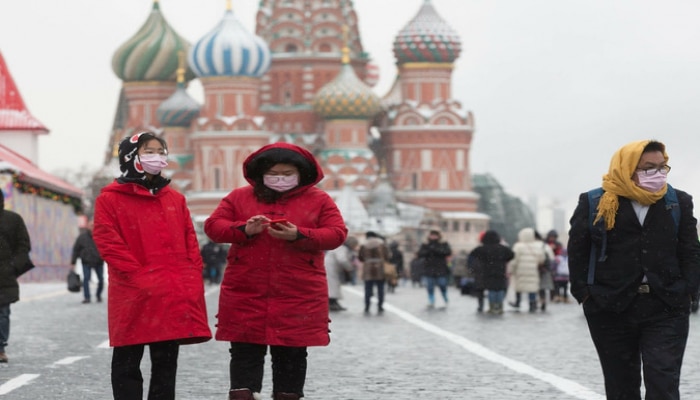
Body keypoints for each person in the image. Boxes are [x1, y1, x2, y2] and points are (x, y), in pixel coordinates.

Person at [204, 142, 347, 400]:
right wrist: (244, 229)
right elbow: (214, 227)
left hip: (298, 291)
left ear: (301, 174)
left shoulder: (319, 200)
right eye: (274, 173)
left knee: (291, 354)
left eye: (287, 173)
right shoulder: (239, 197)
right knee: (245, 351)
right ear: (261, 174)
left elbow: (336, 234)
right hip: (247, 289)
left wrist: (299, 235)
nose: (280, 179)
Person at [568, 139, 700, 400]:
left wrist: (688, 291)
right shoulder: (596, 201)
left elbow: (690, 250)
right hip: (611, 306)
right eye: (648, 168)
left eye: (663, 167)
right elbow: (578, 251)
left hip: (666, 305)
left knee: (663, 381)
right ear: (627, 168)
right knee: (621, 385)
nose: (658, 174)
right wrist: (585, 294)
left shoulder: (678, 202)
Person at [93, 132, 212, 400]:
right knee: (127, 360)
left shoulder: (175, 199)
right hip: (133, 291)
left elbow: (190, 241)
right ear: (130, 156)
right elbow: (107, 241)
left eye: (161, 151)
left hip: (171, 290)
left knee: (166, 362)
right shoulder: (110, 199)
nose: (157, 157)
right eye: (149, 151)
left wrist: (192, 274)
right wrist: (138, 276)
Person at [0, 189, 31, 363]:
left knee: (2, 312)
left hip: (4, 275)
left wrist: (13, 266)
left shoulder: (13, 220)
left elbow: (23, 245)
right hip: (6, 273)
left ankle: (0, 348)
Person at [469, 230, 514, 314]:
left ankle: (492, 307)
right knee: (500, 289)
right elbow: (511, 255)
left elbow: (473, 254)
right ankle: (500, 307)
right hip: (500, 271)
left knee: (491, 290)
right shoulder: (503, 249)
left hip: (487, 271)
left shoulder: (482, 249)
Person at [507, 227, 545, 313]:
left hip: (520, 271)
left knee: (518, 287)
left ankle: (517, 302)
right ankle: (532, 304)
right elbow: (542, 259)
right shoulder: (537, 245)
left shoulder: (518, 246)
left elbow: (514, 260)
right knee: (532, 287)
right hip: (533, 271)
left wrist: (511, 270)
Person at [70, 219, 105, 304]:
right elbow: (76, 250)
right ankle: (87, 297)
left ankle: (98, 295)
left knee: (101, 280)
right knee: (86, 279)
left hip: (98, 261)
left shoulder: (101, 236)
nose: (92, 227)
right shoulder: (82, 237)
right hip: (86, 261)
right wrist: (73, 262)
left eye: (93, 225)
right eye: (90, 225)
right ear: (87, 226)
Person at [417, 230, 452, 309]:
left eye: (435, 235)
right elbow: (420, 254)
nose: (433, 237)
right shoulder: (425, 245)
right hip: (429, 268)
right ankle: (431, 299)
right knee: (430, 286)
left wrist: (436, 250)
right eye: (432, 235)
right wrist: (429, 250)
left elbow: (448, 252)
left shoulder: (443, 244)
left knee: (442, 284)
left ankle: (444, 295)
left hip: (441, 268)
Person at [358, 231, 391, 314]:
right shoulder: (381, 244)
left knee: (367, 288)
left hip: (368, 268)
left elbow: (360, 258)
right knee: (380, 288)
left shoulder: (364, 244)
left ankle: (367, 306)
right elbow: (388, 256)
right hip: (380, 267)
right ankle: (380, 306)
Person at [325, 236, 358, 312]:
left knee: (334, 285)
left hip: (332, 268)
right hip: (331, 268)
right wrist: (349, 267)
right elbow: (342, 260)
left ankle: (334, 301)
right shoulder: (342, 249)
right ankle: (332, 302)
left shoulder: (342, 248)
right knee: (333, 285)